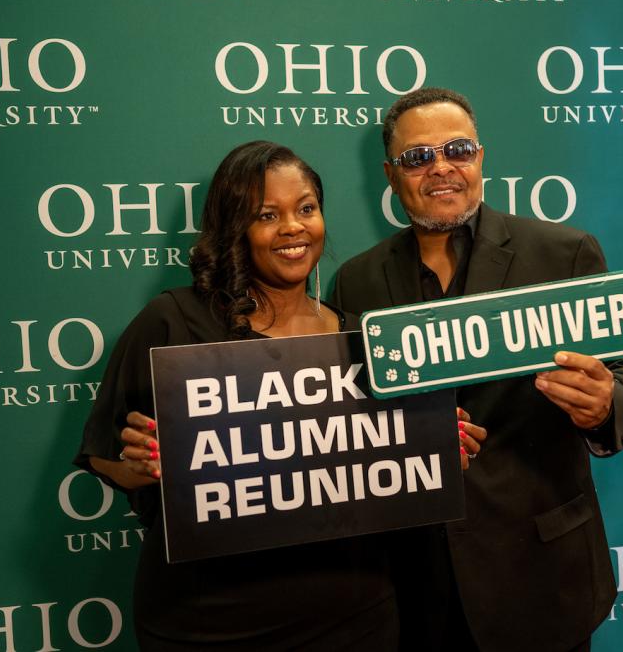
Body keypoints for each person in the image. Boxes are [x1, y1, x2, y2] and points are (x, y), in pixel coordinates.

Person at [75, 140, 484, 650]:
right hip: (209, 622)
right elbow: (103, 454)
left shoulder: (361, 338)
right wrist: (136, 464)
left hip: (355, 617)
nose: (293, 227)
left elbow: (387, 465)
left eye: (306, 209)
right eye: (267, 214)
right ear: (234, 228)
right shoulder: (173, 320)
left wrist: (437, 446)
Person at [330, 88, 623, 652]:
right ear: (391, 174)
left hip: (540, 576)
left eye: (457, 149)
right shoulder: (355, 281)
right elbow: (344, 413)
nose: (441, 167)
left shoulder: (564, 253)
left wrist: (607, 404)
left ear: (480, 157)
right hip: (414, 589)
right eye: (417, 157)